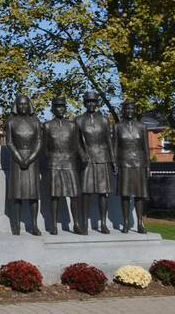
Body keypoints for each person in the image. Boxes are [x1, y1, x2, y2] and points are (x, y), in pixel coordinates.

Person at [76, 90, 116, 234]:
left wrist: (113, 161)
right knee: (85, 192)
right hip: (87, 159)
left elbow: (109, 142)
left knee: (102, 193)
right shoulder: (79, 120)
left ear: (97, 103)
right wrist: (82, 154)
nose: (91, 104)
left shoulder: (104, 120)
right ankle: (84, 223)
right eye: (88, 102)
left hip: (102, 158)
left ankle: (103, 223)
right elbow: (76, 141)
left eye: (93, 101)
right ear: (84, 103)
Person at [42, 95, 82, 235]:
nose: (60, 109)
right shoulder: (47, 125)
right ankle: (53, 225)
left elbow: (76, 144)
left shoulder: (72, 126)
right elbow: (45, 146)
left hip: (69, 162)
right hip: (54, 162)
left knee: (74, 195)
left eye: (62, 106)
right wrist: (51, 158)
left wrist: (75, 156)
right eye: (57, 106)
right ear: (53, 109)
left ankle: (76, 224)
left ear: (65, 109)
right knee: (55, 195)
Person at [5, 92, 42, 236]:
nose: (23, 106)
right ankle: (17, 225)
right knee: (17, 194)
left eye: (25, 104)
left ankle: (34, 224)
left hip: (32, 160)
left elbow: (39, 141)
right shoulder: (11, 122)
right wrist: (19, 158)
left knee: (33, 195)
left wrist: (30, 158)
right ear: (16, 106)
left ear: (29, 105)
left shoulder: (36, 122)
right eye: (20, 104)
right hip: (17, 160)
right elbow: (9, 142)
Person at [114, 100, 149, 234]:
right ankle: (126, 223)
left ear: (135, 111)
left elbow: (146, 148)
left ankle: (140, 223)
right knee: (125, 194)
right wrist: (115, 164)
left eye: (131, 109)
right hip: (124, 163)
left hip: (139, 163)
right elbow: (115, 147)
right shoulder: (117, 126)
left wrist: (148, 167)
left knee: (140, 195)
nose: (129, 111)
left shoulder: (142, 127)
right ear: (123, 111)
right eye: (126, 109)